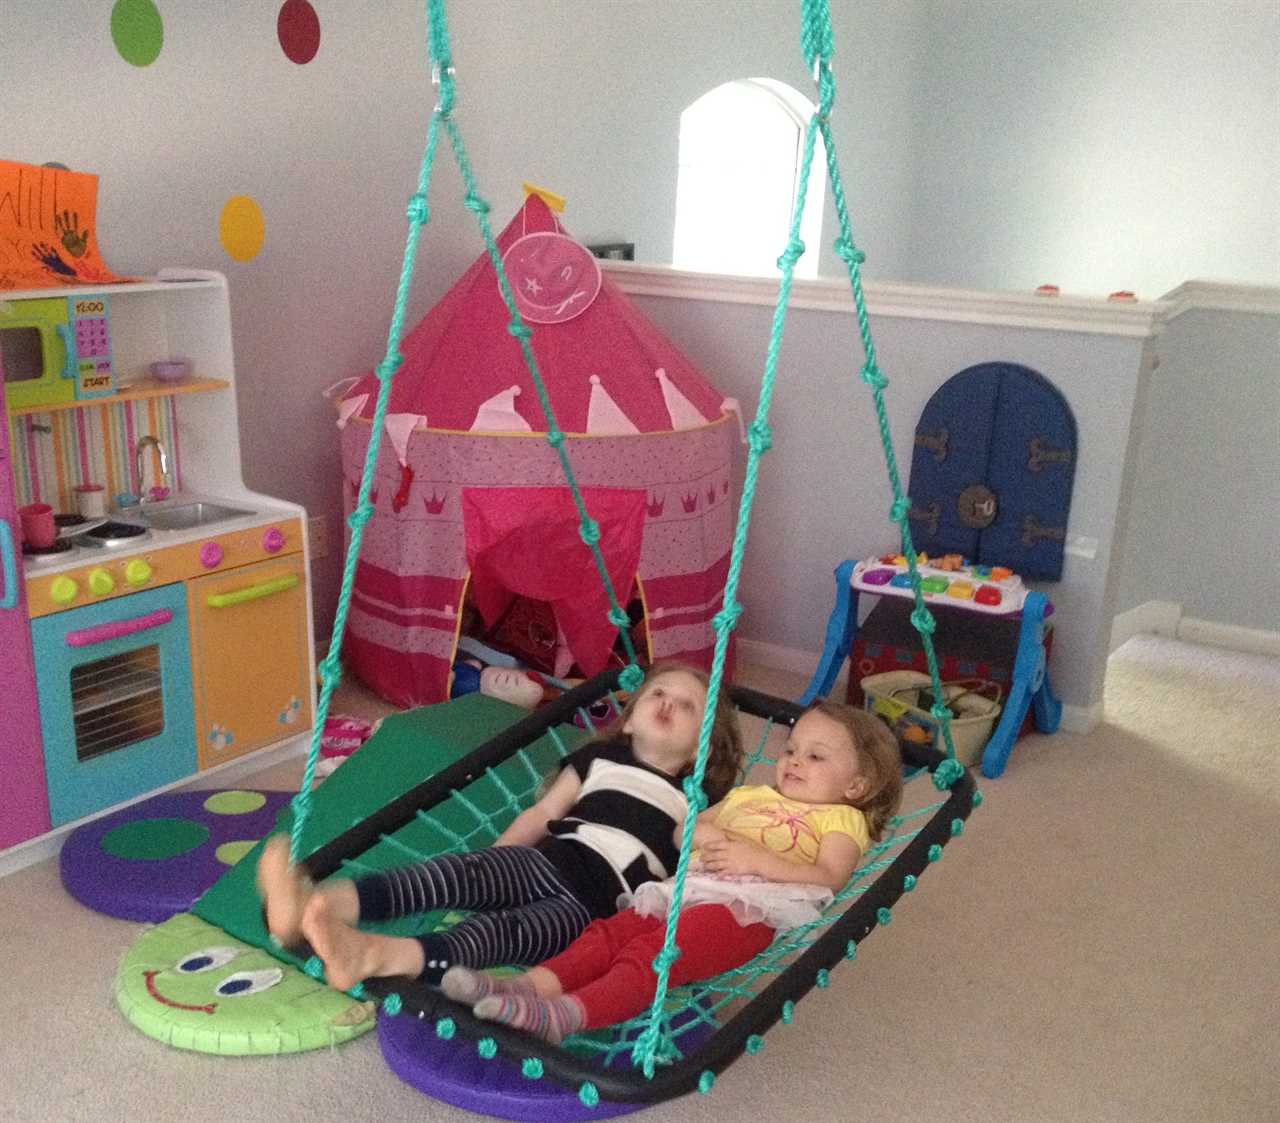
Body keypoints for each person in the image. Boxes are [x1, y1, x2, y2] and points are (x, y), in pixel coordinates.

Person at [257, 662, 742, 989]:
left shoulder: (692, 801)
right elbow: (541, 814)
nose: (667, 703)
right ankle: (316, 906)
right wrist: (494, 860)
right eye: (658, 692)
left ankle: (375, 955)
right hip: (544, 860)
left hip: (590, 910)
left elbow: (700, 867)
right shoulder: (599, 759)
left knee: (501, 936)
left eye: (687, 706)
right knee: (446, 877)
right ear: (630, 719)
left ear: (700, 750)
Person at [440, 701, 903, 1043]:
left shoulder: (843, 818)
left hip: (748, 910)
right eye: (792, 749)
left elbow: (830, 875)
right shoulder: (748, 798)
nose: (794, 760)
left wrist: (757, 861)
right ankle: (521, 988)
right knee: (606, 934)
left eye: (816, 757)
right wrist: (700, 836)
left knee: (651, 955)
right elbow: (686, 833)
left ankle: (566, 1015)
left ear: (856, 785)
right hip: (687, 888)